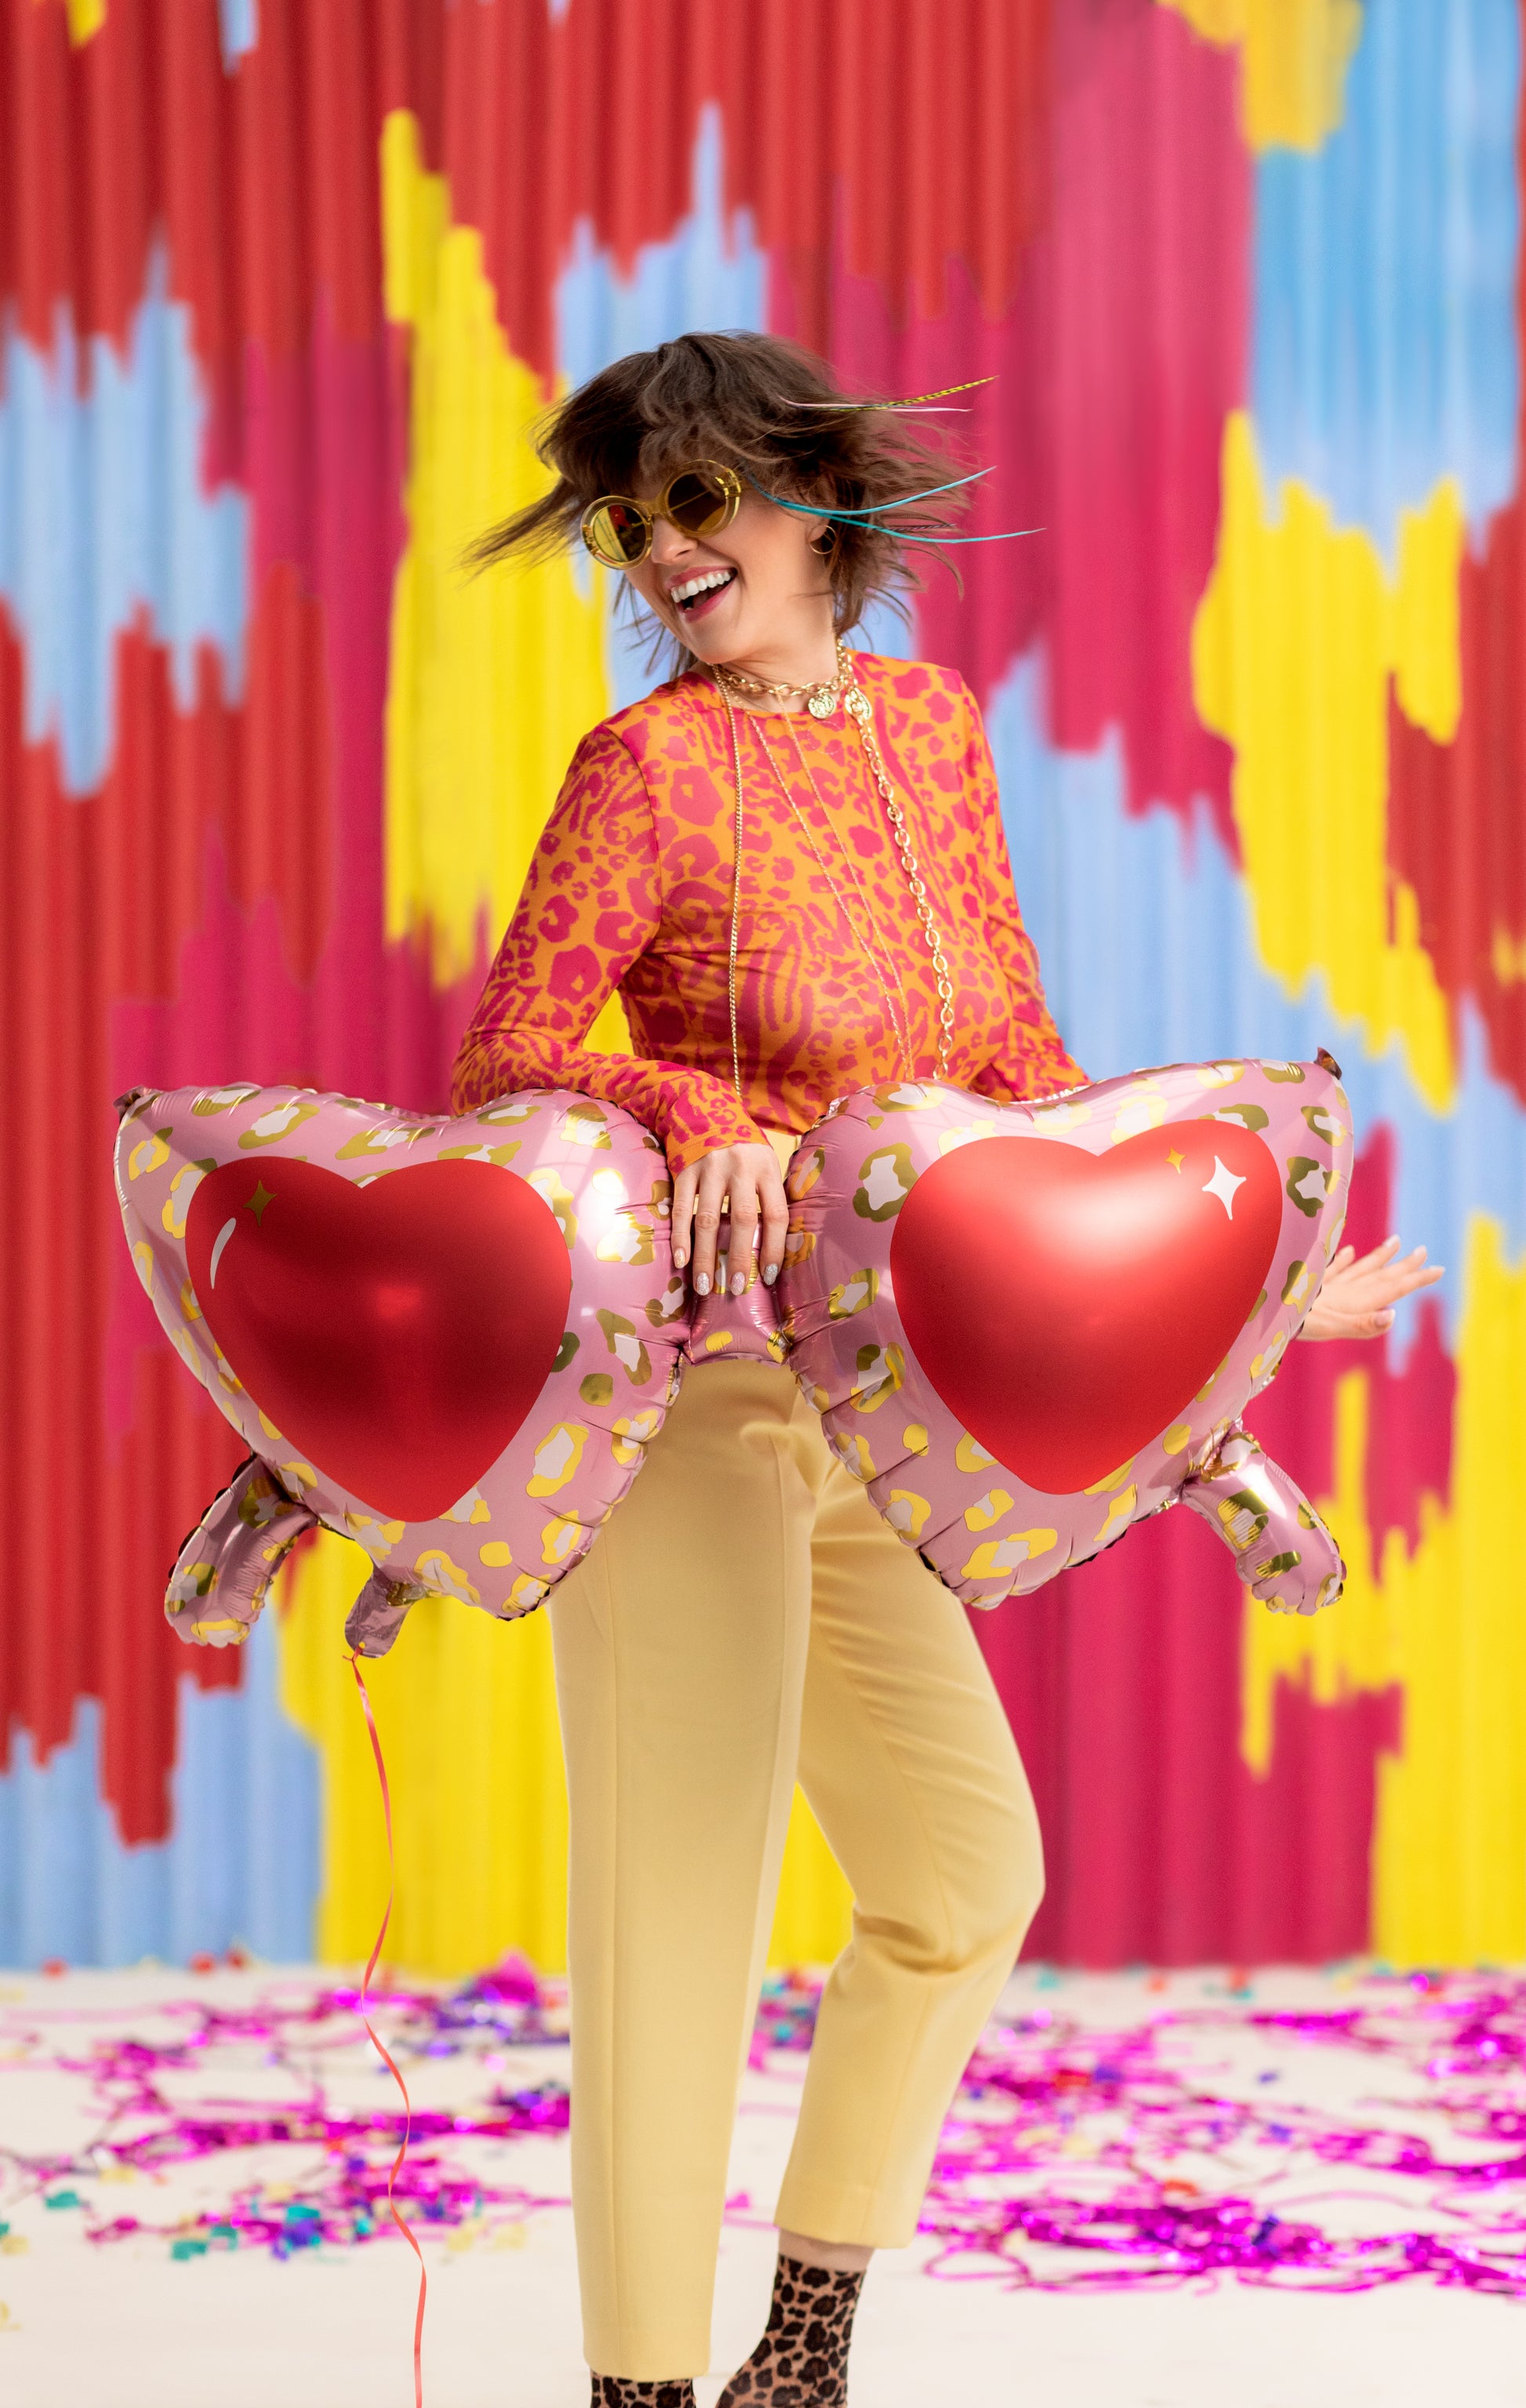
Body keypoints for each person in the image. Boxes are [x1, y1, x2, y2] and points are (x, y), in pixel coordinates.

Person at [452, 332, 1441, 2408]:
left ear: (813, 506)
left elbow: (1014, 1065)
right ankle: (638, 2390)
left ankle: (800, 2349)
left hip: (878, 1408)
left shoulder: (927, 730)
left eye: (697, 501)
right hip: (688, 1410)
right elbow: (509, 1048)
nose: (660, 546)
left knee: (965, 1884)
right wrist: (689, 1115)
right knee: (679, 1921)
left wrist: (1221, 1275)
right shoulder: (642, 770)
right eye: (632, 516)